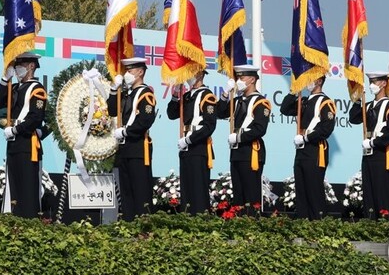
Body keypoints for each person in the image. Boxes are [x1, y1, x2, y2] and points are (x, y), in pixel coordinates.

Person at [0, 52, 48, 218]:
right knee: (14, 188)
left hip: (28, 144)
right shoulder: (15, 87)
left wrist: (15, 129)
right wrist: (5, 79)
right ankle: (15, 222)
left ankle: (30, 222)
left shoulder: (37, 89)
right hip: (13, 143)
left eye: (20, 66)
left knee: (27, 190)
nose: (17, 69)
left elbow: (35, 118)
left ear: (31, 66)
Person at [107, 57, 157, 221]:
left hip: (138, 148)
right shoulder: (127, 93)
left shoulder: (146, 94)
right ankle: (128, 223)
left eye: (130, 71)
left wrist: (126, 132)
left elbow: (145, 121)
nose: (126, 74)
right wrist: (114, 89)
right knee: (126, 191)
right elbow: (112, 110)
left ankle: (143, 225)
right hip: (125, 148)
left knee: (140, 190)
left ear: (140, 72)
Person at [280, 75, 336, 220]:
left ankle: (318, 222)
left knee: (313, 189)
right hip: (301, 149)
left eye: (311, 78)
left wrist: (306, 137)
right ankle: (303, 221)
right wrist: (293, 91)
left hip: (315, 149)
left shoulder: (325, 102)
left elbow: (326, 129)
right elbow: (284, 109)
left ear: (319, 81)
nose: (308, 81)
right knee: (301, 188)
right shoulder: (303, 100)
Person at [217, 64, 270, 215]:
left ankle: (252, 223)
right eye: (237, 78)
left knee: (251, 193)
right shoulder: (237, 100)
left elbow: (260, 129)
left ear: (252, 80)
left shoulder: (261, 102)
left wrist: (238, 137)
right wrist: (225, 94)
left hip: (251, 152)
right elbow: (219, 113)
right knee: (238, 194)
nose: (238, 81)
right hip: (237, 152)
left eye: (242, 78)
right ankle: (239, 222)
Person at [348, 71, 389, 220]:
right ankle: (371, 221)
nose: (372, 85)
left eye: (375, 82)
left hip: (381, 153)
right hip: (367, 153)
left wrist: (373, 142)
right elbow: (354, 118)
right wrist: (358, 100)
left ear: (383, 83)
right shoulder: (369, 105)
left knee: (381, 190)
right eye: (370, 82)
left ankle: (386, 221)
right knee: (368, 190)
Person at [167, 69, 217, 215]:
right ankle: (187, 218)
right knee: (186, 187)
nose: (188, 76)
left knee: (198, 188)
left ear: (200, 74)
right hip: (185, 146)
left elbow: (209, 126)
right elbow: (171, 114)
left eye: (191, 72)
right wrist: (176, 94)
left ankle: (200, 218)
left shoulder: (207, 96)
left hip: (198, 146)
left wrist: (189, 139)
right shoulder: (187, 96)